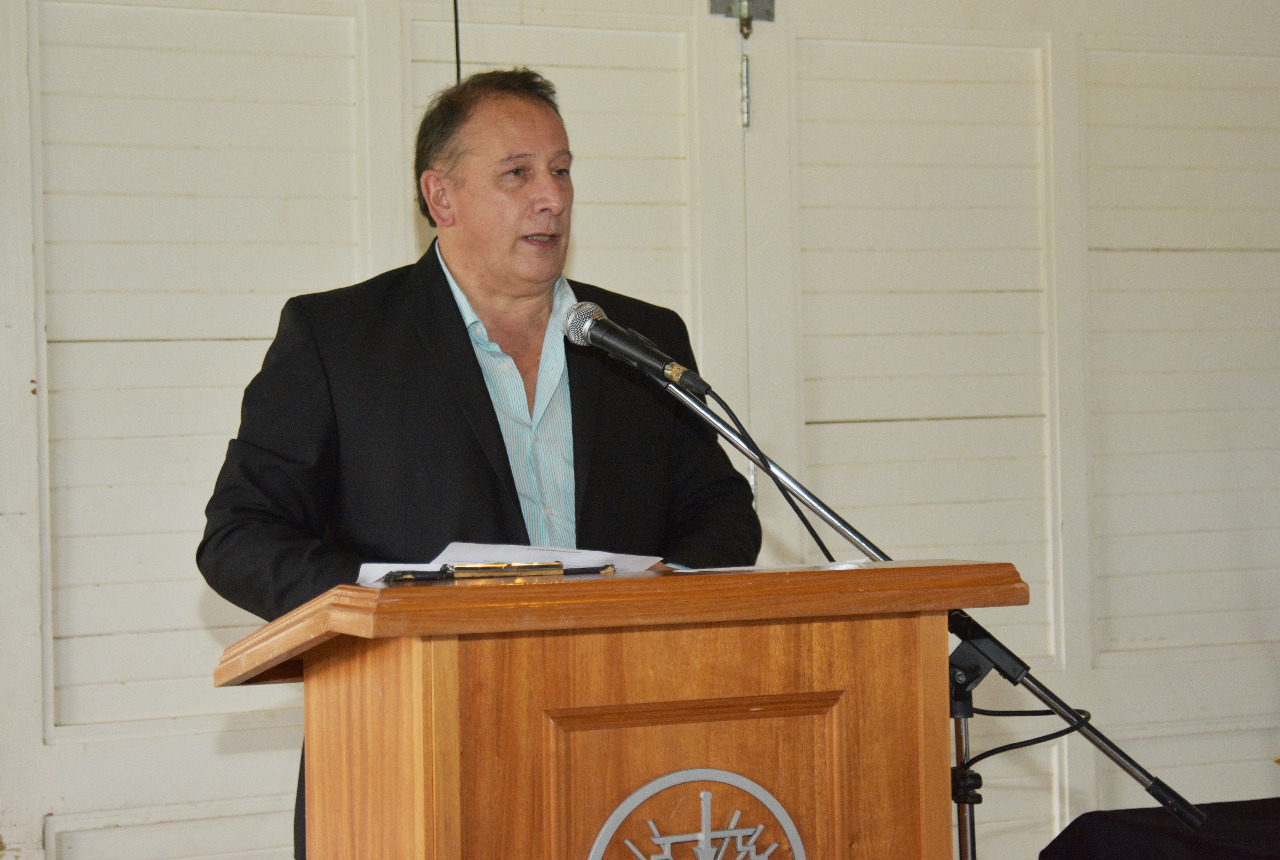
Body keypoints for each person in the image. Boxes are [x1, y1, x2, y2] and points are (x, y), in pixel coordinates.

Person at [196, 68, 761, 857]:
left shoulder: (638, 337)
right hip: (413, 742)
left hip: (626, 741)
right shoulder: (340, 339)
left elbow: (722, 512)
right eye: (518, 174)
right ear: (442, 197)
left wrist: (665, 591)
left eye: (561, 171)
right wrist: (390, 604)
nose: (552, 198)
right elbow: (239, 537)